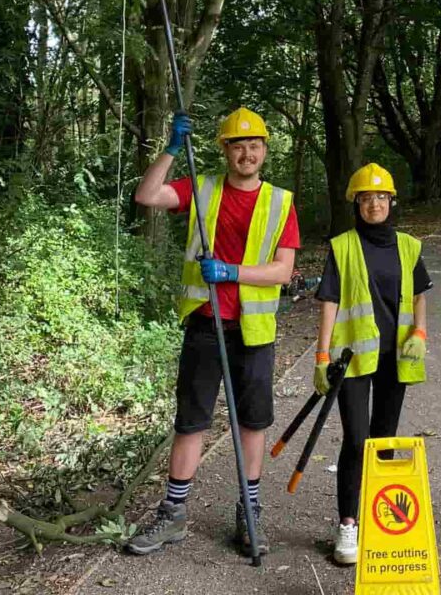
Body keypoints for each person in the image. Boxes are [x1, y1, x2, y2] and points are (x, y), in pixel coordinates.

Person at [127, 107, 300, 557]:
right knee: (192, 421)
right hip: (207, 322)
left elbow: (283, 271)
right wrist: (169, 148)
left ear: (264, 149)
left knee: (252, 422)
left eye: (254, 144)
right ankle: (173, 513)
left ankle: (249, 512)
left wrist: (231, 271)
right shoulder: (202, 188)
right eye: (237, 144)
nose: (247, 152)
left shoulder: (281, 201)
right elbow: (147, 196)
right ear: (225, 150)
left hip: (254, 329)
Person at [314, 163, 432, 565]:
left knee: (383, 441)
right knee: (356, 440)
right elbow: (329, 300)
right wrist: (322, 355)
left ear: (391, 202)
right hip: (352, 360)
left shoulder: (409, 247)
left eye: (381, 197)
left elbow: (419, 294)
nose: (375, 204)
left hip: (394, 358)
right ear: (357, 204)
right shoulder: (342, 246)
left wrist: (420, 332)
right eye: (367, 198)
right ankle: (348, 524)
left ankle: (379, 522)